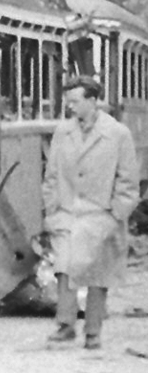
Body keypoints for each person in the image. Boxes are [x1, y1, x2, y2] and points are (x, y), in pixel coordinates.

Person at [42, 75, 140, 349]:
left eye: (75, 101)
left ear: (92, 101)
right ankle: (65, 324)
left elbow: (128, 182)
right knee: (63, 268)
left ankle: (93, 331)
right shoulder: (63, 131)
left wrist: (115, 215)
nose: (70, 107)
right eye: (68, 101)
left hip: (101, 216)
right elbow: (50, 175)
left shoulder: (118, 134)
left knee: (98, 274)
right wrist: (52, 209)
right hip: (67, 213)